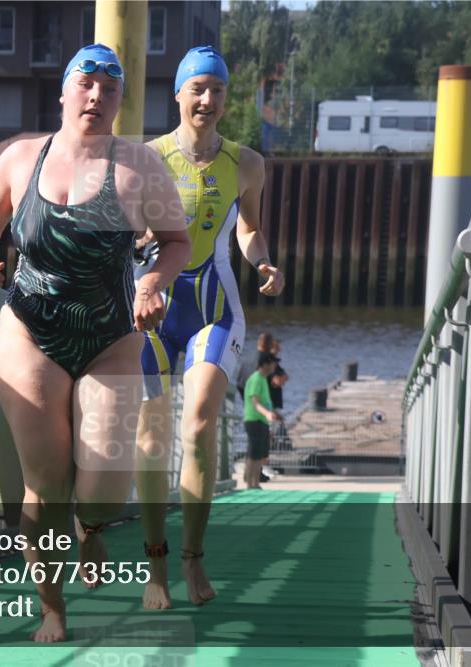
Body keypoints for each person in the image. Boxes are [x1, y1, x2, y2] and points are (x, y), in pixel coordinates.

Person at [0, 44, 191, 642]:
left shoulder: (139, 166)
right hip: (30, 329)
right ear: (63, 92)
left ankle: (91, 532)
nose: (95, 96)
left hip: (110, 334)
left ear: (119, 100)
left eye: (109, 88)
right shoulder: (19, 159)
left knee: (101, 486)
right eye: (85, 83)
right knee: (44, 483)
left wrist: (153, 280)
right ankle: (52, 606)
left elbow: (175, 241)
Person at [134, 45, 285, 610]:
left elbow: (249, 230)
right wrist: (139, 240)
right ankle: (155, 566)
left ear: (226, 98)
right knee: (151, 438)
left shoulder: (247, 163)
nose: (207, 99)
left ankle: (194, 559)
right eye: (196, 88)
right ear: (177, 94)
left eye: (216, 90)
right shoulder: (147, 158)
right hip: (153, 310)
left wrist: (262, 260)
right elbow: (127, 231)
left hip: (215, 307)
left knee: (197, 426)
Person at [244, 352, 279, 489]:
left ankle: (255, 482)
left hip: (262, 421)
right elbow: (255, 402)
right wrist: (267, 413)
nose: (274, 365)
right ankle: (250, 484)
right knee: (253, 453)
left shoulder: (264, 379)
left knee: (259, 454)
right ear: (264, 364)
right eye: (272, 363)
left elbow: (265, 401)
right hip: (254, 420)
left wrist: (273, 413)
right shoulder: (256, 378)